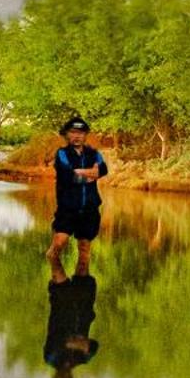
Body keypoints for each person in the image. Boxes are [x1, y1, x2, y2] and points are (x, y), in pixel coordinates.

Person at [48, 114, 108, 279]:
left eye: (80, 133)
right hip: (68, 208)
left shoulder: (94, 154)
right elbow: (67, 175)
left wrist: (80, 172)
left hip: (89, 208)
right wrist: (88, 174)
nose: (77, 136)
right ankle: (55, 269)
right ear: (67, 134)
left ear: (85, 135)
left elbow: (102, 170)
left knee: (84, 250)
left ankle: (82, 291)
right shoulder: (62, 153)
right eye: (73, 132)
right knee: (60, 242)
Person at [43, 271, 99, 378]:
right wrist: (81, 345)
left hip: (61, 301)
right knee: (84, 262)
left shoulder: (51, 358)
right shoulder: (81, 359)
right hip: (83, 304)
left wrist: (78, 344)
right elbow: (94, 347)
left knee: (54, 259)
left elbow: (58, 341)